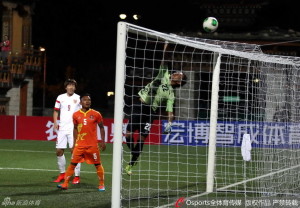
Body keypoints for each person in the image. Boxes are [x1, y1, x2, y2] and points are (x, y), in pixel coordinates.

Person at [125, 43, 187, 176]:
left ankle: (131, 164)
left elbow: (170, 112)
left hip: (150, 112)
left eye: (179, 75)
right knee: (128, 136)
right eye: (176, 72)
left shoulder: (171, 94)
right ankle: (135, 156)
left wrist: (169, 124)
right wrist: (165, 46)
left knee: (141, 138)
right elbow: (163, 59)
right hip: (139, 105)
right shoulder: (163, 73)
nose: (175, 73)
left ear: (179, 82)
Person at [57, 93, 106, 191]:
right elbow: (75, 129)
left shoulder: (96, 114)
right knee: (73, 163)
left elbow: (101, 127)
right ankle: (65, 183)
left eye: (89, 100)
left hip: (92, 145)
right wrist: (74, 143)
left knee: (97, 164)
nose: (87, 102)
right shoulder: (76, 115)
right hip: (80, 145)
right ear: (81, 102)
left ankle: (101, 184)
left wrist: (103, 141)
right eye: (85, 100)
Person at [53, 79, 82, 184]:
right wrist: (55, 122)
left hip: (73, 128)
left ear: (75, 87)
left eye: (73, 85)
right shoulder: (60, 97)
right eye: (69, 85)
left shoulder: (78, 98)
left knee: (74, 152)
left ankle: (77, 176)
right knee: (59, 151)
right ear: (66, 87)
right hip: (62, 128)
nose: (71, 87)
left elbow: (83, 112)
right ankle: (62, 174)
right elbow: (56, 111)